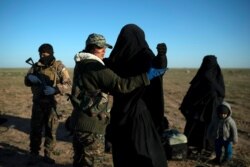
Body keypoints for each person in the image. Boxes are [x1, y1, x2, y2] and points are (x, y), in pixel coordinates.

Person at [68, 33, 166, 167]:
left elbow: (154, 64)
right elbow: (121, 84)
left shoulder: (82, 63)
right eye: (99, 47)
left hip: (80, 121)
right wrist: (147, 76)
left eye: (105, 48)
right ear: (90, 48)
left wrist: (161, 58)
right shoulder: (96, 67)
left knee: (80, 160)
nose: (104, 50)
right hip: (92, 124)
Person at [103, 24, 168, 167]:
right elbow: (157, 69)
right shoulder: (133, 55)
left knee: (128, 153)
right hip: (133, 112)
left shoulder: (131, 56)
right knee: (138, 152)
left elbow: (157, 68)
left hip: (127, 111)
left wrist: (162, 59)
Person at [24, 43, 72, 164]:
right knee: (35, 130)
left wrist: (55, 90)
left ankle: (48, 154)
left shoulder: (59, 66)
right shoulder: (35, 66)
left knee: (51, 131)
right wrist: (30, 79)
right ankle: (34, 153)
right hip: (38, 104)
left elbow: (68, 84)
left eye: (45, 54)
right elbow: (26, 80)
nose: (42, 55)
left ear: (51, 53)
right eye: (41, 53)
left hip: (53, 104)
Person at [179, 55, 225, 157]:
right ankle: (193, 149)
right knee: (195, 127)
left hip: (211, 110)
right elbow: (191, 94)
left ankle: (208, 150)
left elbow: (221, 94)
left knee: (209, 129)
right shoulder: (203, 77)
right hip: (197, 111)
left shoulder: (215, 79)